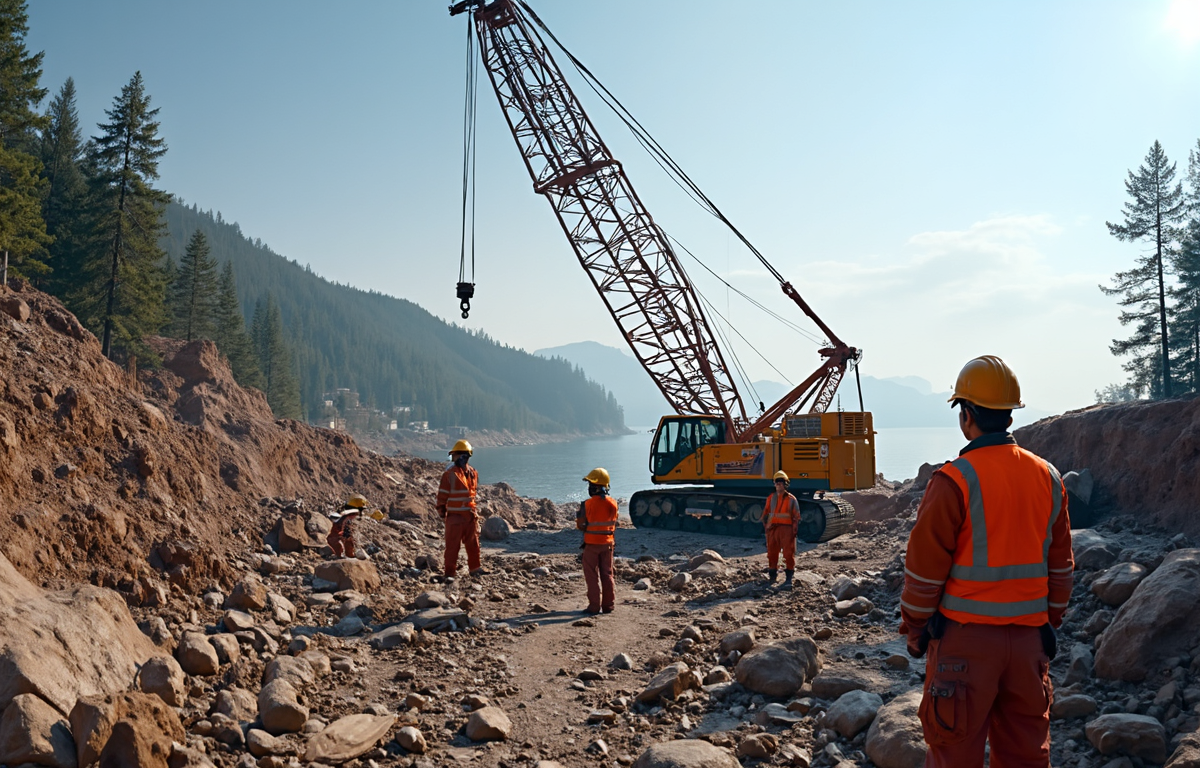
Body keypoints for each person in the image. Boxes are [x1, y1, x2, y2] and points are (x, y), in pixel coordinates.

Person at [899, 355, 1073, 768]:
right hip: (1030, 643)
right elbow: (1061, 567)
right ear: (1010, 415)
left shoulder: (954, 480)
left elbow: (924, 573)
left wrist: (916, 630)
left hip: (965, 647)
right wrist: (1049, 622)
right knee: (1026, 757)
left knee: (953, 754)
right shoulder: (1048, 477)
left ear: (967, 416)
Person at [436, 439, 484, 580]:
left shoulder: (472, 473)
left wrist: (441, 510)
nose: (454, 459)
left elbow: (470, 494)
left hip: (469, 516)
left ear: (462, 455)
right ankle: (450, 573)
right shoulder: (450, 474)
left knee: (473, 545)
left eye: (455, 455)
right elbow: (443, 494)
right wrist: (441, 510)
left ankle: (475, 569)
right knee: (452, 546)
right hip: (455, 516)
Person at [576, 467, 619, 614]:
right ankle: (609, 605)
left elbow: (580, 525)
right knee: (607, 574)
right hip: (608, 544)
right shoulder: (613, 503)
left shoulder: (587, 504)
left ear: (594, 486)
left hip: (592, 545)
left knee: (591, 575)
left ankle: (594, 607)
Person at [762, 470, 801, 589]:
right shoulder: (771, 498)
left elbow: (796, 516)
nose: (778, 484)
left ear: (786, 484)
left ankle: (789, 578)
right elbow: (765, 514)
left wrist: (794, 531)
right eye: (777, 482)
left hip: (786, 530)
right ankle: (772, 577)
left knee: (788, 554)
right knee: (772, 554)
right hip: (773, 530)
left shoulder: (791, 499)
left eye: (781, 482)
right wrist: (767, 528)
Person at [327, 494, 367, 558]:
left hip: (336, 543)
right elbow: (338, 535)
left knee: (348, 539)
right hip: (334, 546)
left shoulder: (345, 517)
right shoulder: (342, 519)